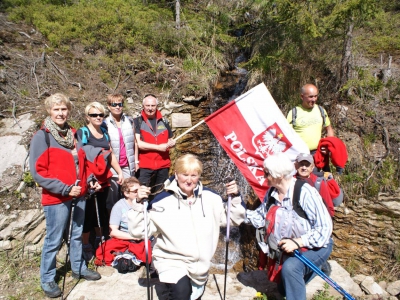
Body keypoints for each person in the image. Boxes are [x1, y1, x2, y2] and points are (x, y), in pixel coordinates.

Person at [128, 154, 245, 300]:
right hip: (171, 260)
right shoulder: (161, 201)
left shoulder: (211, 198)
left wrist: (235, 197)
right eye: (185, 175)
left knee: (193, 296)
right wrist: (138, 204)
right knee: (182, 292)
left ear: (199, 176)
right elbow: (140, 231)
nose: (189, 180)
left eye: (193, 175)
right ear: (176, 175)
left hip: (200, 266)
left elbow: (232, 220)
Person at [29, 93, 101, 298]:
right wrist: (65, 189)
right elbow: (38, 172)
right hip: (57, 198)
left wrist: (89, 179)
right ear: (49, 111)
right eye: (56, 109)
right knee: (54, 239)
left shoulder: (74, 134)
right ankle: (47, 278)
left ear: (68, 111)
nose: (60, 113)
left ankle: (78, 267)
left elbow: (83, 163)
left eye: (63, 109)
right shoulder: (42, 137)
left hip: (79, 194)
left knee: (76, 234)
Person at [245, 152, 333, 300]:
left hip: (317, 246)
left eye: (266, 173)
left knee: (291, 269)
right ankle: (317, 268)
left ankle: (317, 262)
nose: (264, 176)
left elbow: (324, 229)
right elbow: (259, 218)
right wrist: (233, 209)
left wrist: (297, 242)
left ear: (278, 175)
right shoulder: (272, 192)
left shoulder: (305, 192)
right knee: (283, 289)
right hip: (290, 248)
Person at [76, 101, 124, 261]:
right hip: (89, 180)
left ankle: (100, 239)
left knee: (102, 210)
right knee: (88, 213)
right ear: (87, 117)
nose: (98, 117)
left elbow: (110, 154)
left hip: (104, 178)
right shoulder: (83, 133)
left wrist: (118, 171)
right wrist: (89, 179)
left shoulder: (104, 131)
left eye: (100, 115)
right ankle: (86, 245)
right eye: (93, 115)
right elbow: (80, 159)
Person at [94, 177, 150, 268]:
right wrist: (134, 237)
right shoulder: (119, 206)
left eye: (140, 190)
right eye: (135, 191)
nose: (138, 193)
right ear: (126, 193)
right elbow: (113, 232)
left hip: (143, 237)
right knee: (106, 249)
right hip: (126, 237)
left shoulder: (145, 203)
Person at [133, 94, 175, 197]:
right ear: (143, 106)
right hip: (145, 166)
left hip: (163, 166)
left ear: (157, 106)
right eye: (148, 105)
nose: (150, 108)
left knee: (161, 195)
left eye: (153, 105)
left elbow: (170, 139)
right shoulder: (137, 121)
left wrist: (172, 143)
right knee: (143, 194)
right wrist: (159, 147)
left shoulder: (164, 121)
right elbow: (139, 144)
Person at [104, 93, 139, 212]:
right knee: (112, 197)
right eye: (114, 104)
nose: (118, 107)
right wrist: (116, 169)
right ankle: (112, 225)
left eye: (120, 104)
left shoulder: (129, 120)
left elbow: (134, 142)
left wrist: (136, 160)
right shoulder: (105, 124)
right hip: (113, 166)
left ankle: (128, 223)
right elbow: (107, 148)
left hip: (128, 165)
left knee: (130, 195)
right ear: (109, 106)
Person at [286, 84, 334, 154]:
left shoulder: (321, 110)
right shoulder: (293, 113)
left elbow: (329, 129)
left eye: (315, 96)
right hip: (301, 155)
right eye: (310, 97)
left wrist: (328, 146)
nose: (314, 99)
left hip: (319, 153)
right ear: (302, 97)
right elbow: (286, 135)